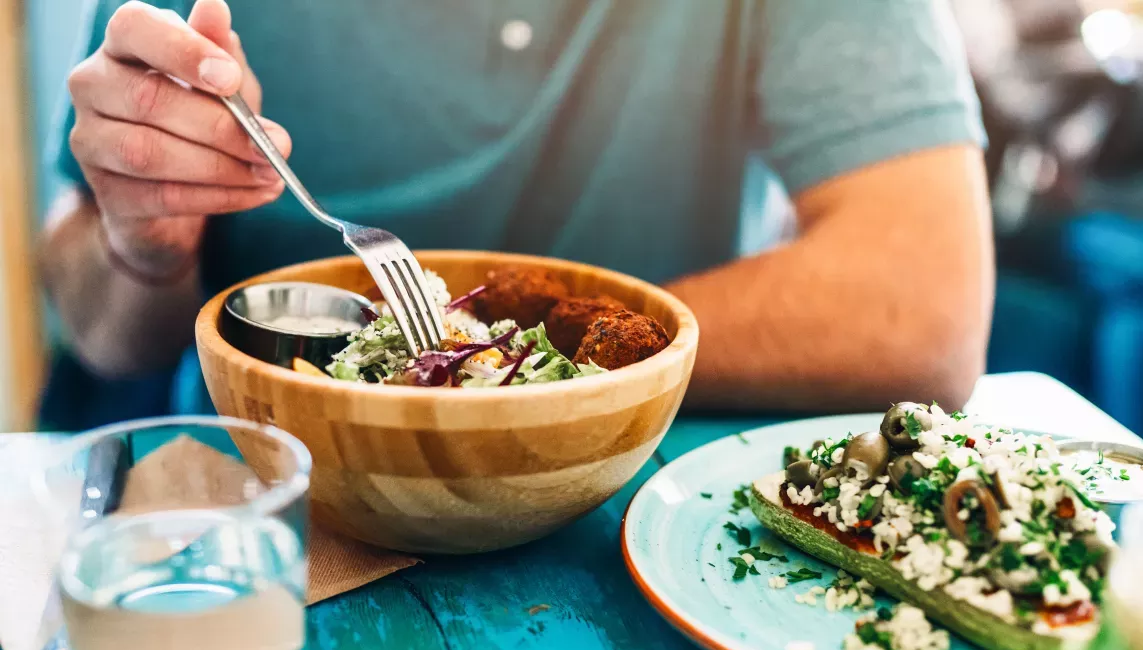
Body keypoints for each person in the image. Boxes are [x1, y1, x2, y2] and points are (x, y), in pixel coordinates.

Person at [41, 0, 994, 415]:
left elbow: (922, 310)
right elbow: (100, 332)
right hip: (263, 513)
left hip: (640, 505)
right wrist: (145, 246)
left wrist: (520, 377)